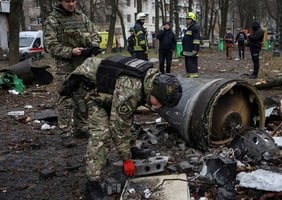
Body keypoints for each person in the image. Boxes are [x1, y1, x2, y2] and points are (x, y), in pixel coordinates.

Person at [59, 55, 182, 199]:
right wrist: (126, 160)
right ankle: (92, 184)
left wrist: (127, 150)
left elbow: (125, 117)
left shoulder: (150, 78)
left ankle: (130, 149)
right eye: (160, 102)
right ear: (155, 91)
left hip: (110, 90)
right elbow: (118, 126)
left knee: (126, 118)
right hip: (91, 91)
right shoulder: (131, 89)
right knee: (101, 135)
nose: (159, 106)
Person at [43, 0, 101, 137]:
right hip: (65, 67)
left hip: (82, 64)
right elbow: (50, 45)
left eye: (73, 1)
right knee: (66, 98)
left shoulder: (81, 16)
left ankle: (81, 127)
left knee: (83, 96)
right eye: (67, 1)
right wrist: (70, 51)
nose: (71, 4)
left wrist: (93, 45)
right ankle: (65, 132)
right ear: (60, 2)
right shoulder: (53, 20)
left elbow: (95, 34)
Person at [182, 12, 201, 78]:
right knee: (188, 65)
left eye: (189, 19)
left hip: (192, 50)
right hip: (187, 50)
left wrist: (195, 49)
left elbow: (196, 39)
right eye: (187, 19)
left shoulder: (195, 27)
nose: (187, 20)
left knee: (192, 64)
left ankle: (193, 77)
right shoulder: (189, 27)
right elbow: (186, 39)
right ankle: (189, 76)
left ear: (192, 19)